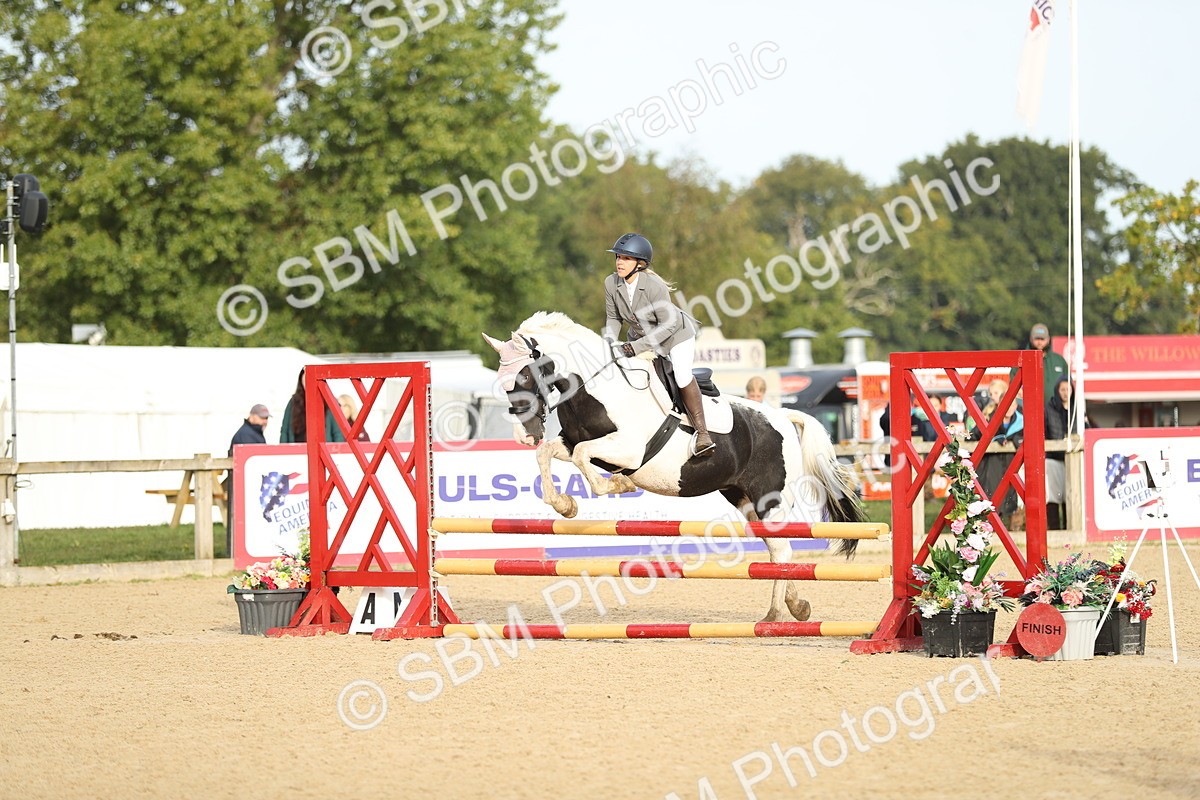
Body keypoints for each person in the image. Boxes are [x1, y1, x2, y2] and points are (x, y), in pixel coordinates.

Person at [602, 232, 714, 457]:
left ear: (640, 264)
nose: (619, 262)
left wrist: (634, 348)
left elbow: (667, 326)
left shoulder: (653, 286)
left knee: (681, 375)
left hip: (675, 335)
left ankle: (703, 433)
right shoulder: (611, 283)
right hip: (641, 338)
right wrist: (607, 343)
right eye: (618, 257)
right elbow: (614, 319)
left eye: (626, 258)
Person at [971, 379, 1024, 527]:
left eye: (1012, 404)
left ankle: (1014, 521)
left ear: (1016, 405)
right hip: (991, 464)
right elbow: (976, 434)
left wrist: (1016, 438)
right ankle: (990, 521)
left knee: (1012, 489)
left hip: (1012, 463)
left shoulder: (1022, 420)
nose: (1009, 408)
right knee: (991, 489)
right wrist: (998, 438)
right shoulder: (990, 416)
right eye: (1005, 404)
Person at [225, 404, 270, 554]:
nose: (265, 422)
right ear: (252, 417)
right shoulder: (247, 435)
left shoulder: (250, 432)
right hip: (246, 485)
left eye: (266, 418)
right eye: (262, 418)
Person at [279, 368, 347, 444]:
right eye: (305, 381)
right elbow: (284, 431)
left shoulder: (329, 402)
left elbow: (338, 433)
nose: (307, 384)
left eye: (310, 381)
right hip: (297, 450)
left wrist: (336, 453)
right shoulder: (293, 402)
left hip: (323, 451)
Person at [1012, 322, 1069, 402]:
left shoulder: (1059, 360)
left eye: (1042, 339)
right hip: (1027, 407)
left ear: (1048, 339)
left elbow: (1068, 383)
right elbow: (1012, 383)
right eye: (1037, 339)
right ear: (1031, 339)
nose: (1039, 342)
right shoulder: (1021, 359)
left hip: (1055, 409)